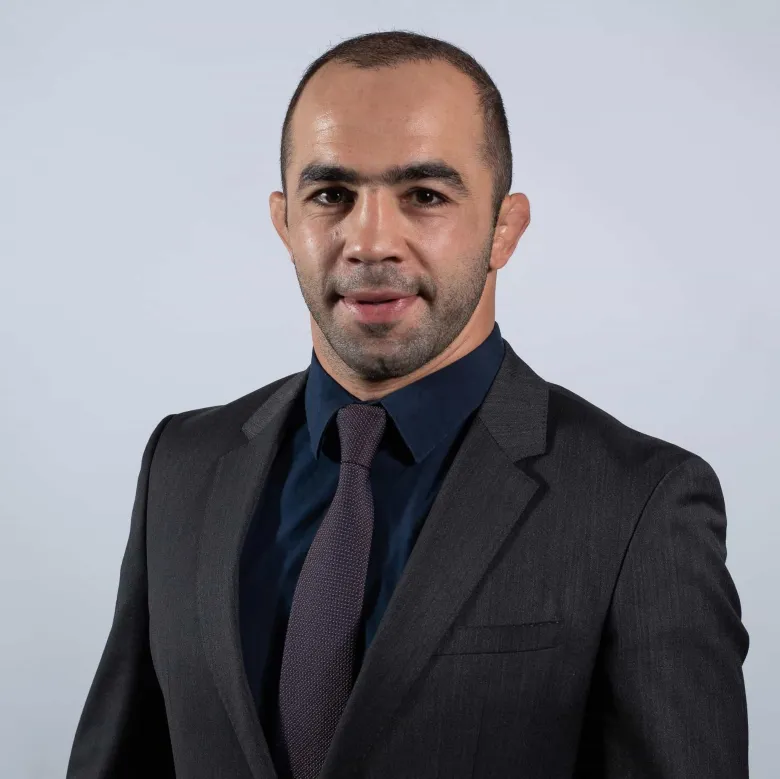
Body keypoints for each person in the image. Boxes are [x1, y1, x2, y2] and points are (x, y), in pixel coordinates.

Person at [66, 30, 749, 779]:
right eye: (332, 195)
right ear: (285, 221)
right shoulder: (182, 465)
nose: (370, 241)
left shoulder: (638, 503)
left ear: (505, 228)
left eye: (424, 196)